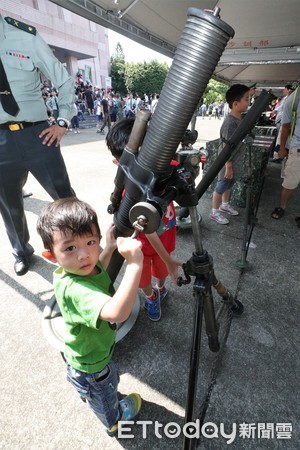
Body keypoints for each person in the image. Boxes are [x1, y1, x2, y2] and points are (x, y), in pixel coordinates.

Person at [36, 197, 143, 436]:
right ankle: (113, 420)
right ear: (51, 255)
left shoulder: (75, 269)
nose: (84, 255)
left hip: (83, 351)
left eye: (91, 242)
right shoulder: (76, 289)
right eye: (70, 247)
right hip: (93, 364)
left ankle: (83, 388)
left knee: (94, 382)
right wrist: (135, 264)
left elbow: (99, 273)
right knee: (105, 392)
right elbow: (117, 313)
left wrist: (109, 248)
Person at [0, 15, 76, 275]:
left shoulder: (25, 36)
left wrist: (63, 121)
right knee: (9, 204)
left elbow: (63, 79)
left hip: (38, 134)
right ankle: (21, 251)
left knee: (64, 198)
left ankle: (81, 246)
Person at [106, 118, 182, 321]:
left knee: (162, 271)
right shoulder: (129, 196)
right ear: (119, 165)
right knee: (143, 277)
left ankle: (160, 288)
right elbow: (149, 230)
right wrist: (167, 258)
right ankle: (150, 296)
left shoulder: (166, 171)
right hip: (143, 246)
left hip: (166, 239)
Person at [209, 84, 250, 225]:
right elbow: (227, 146)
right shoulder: (230, 122)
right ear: (235, 103)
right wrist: (228, 165)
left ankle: (224, 205)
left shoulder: (240, 119)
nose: (249, 101)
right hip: (227, 162)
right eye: (246, 98)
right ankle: (214, 212)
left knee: (229, 184)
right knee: (221, 186)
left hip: (234, 162)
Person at [271, 86, 300, 222]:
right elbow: (285, 126)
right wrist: (282, 148)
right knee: (289, 182)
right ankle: (281, 206)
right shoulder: (294, 99)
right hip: (297, 149)